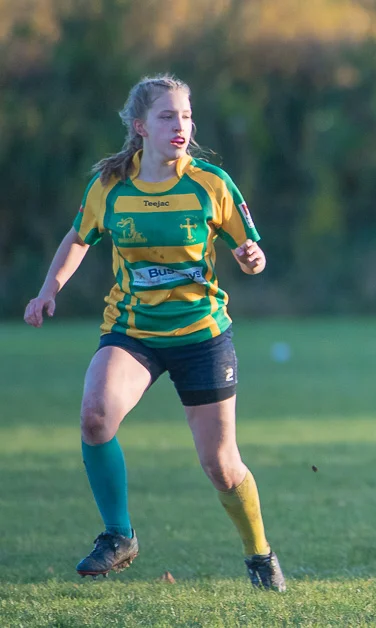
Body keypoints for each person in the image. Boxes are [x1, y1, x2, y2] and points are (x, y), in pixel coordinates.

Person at [23, 74, 284, 591]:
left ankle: (259, 553)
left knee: (222, 467)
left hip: (202, 335)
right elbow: (79, 237)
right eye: (168, 116)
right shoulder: (111, 185)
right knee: (95, 417)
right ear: (140, 127)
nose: (181, 125)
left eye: (186, 116)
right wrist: (49, 288)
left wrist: (252, 259)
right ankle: (118, 535)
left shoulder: (212, 183)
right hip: (133, 329)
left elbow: (251, 253)